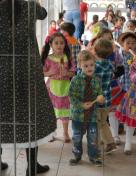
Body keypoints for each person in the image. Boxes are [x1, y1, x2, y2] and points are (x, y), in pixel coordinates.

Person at [0, 0, 56, 175]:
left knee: (2, 113)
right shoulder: (31, 6)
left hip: (2, 68)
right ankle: (32, 166)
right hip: (27, 69)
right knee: (31, 114)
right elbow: (44, 14)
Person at [69, 50, 104, 167]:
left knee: (93, 137)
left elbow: (100, 95)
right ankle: (77, 156)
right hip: (78, 115)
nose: (89, 68)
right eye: (86, 66)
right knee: (76, 137)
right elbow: (71, 97)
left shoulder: (97, 80)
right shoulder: (75, 80)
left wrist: (101, 99)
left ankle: (93, 157)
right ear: (80, 65)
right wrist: (81, 105)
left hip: (92, 115)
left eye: (91, 65)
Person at [42, 32, 75, 143]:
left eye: (61, 43)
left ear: (65, 44)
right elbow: (41, 72)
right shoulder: (48, 59)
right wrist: (49, 72)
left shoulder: (68, 58)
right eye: (56, 43)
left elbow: (73, 72)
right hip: (51, 88)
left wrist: (67, 73)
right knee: (52, 112)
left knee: (65, 112)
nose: (59, 45)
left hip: (65, 88)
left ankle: (65, 133)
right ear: (51, 45)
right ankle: (52, 133)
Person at [94, 39, 117, 153]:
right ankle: (109, 142)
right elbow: (113, 76)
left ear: (95, 51)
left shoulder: (94, 67)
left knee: (97, 123)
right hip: (107, 100)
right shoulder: (110, 64)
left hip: (97, 100)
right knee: (103, 122)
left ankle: (98, 145)